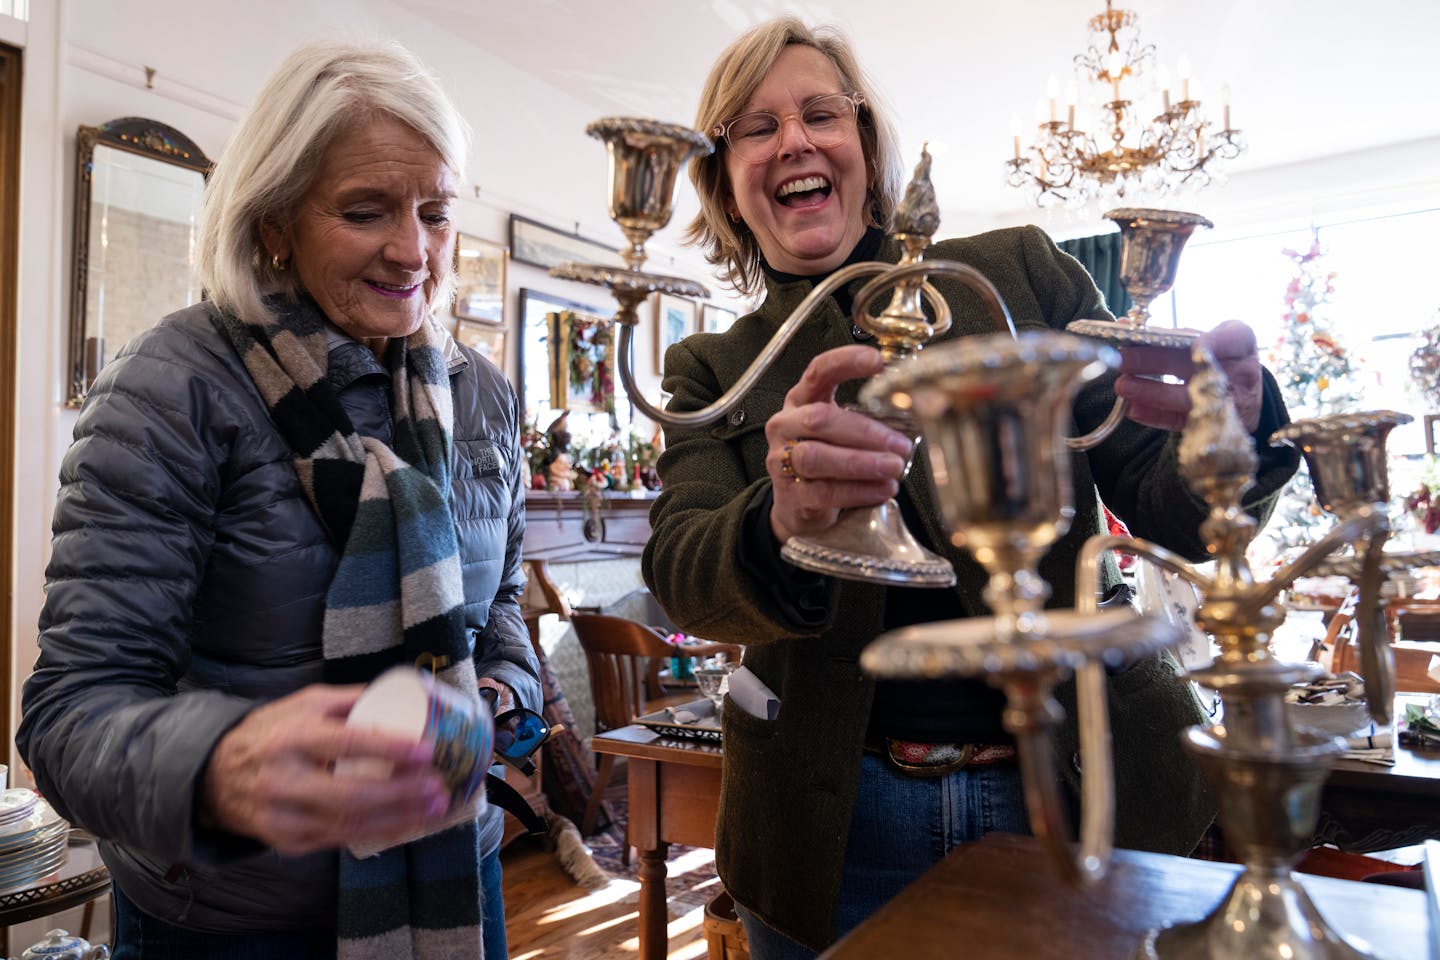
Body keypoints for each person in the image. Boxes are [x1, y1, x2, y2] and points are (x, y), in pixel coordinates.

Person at [640, 17, 1300, 959]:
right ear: (723, 178)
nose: (793, 140)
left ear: (864, 145)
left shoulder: (1016, 275)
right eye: (755, 127)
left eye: (820, 112)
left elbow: (1174, 508)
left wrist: (1230, 432)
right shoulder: (713, 365)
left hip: (1093, 786)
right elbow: (681, 570)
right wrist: (778, 516)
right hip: (830, 829)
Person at [18, 40, 538, 959]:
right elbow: (69, 711)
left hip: (456, 872)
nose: (413, 250)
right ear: (272, 223)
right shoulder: (172, 388)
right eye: (365, 210)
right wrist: (219, 767)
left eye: (436, 212)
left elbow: (497, 607)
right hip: (234, 922)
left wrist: (495, 696)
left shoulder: (481, 394)